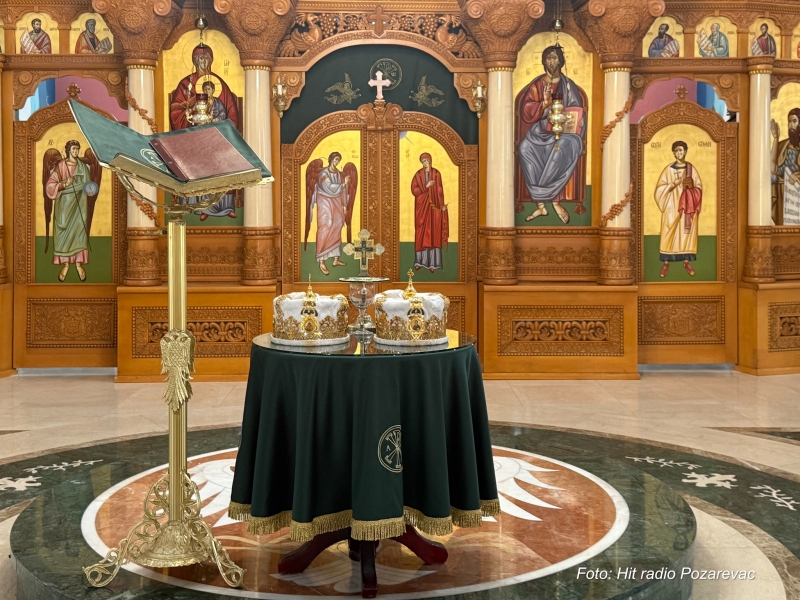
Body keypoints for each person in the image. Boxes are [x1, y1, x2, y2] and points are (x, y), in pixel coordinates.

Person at [517, 45, 586, 224]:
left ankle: (554, 201)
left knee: (562, 146)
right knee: (524, 147)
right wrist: (543, 105)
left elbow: (577, 109)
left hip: (565, 133)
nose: (551, 62)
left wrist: (580, 121)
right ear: (543, 61)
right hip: (540, 131)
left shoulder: (569, 86)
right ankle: (541, 205)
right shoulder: (537, 85)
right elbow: (526, 110)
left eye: (554, 58)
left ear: (561, 61)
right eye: (548, 58)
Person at [169, 44, 240, 219]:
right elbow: (176, 112)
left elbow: (230, 113)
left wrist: (219, 124)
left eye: (206, 58)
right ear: (194, 61)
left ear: (211, 60)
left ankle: (224, 206)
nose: (203, 61)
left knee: (221, 168)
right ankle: (196, 206)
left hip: (216, 139)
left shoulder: (220, 85)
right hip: (193, 138)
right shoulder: (186, 85)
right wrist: (191, 107)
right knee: (195, 169)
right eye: (200, 58)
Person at [44, 141, 95, 282]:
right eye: (73, 149)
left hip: (79, 207)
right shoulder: (61, 166)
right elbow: (50, 185)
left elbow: (88, 185)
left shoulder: (83, 167)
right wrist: (63, 184)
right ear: (68, 150)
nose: (75, 151)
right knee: (62, 232)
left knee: (79, 233)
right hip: (63, 207)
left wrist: (91, 189)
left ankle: (78, 264)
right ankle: (65, 264)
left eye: (77, 149)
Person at [654, 141, 703, 278]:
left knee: (686, 233)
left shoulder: (691, 169)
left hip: (687, 206)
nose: (679, 153)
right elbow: (659, 190)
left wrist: (692, 187)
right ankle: (666, 263)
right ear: (673, 153)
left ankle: (686, 262)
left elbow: (699, 187)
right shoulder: (668, 170)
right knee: (668, 231)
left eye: (681, 150)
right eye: (676, 151)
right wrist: (672, 185)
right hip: (671, 205)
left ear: (685, 151)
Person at [310, 152, 353, 275]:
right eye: (335, 159)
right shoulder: (324, 173)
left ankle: (336, 259)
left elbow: (343, 191)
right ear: (330, 160)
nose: (337, 162)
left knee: (337, 225)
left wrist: (344, 204)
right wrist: (343, 184)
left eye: (338, 160)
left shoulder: (339, 174)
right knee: (326, 226)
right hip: (325, 201)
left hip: (337, 202)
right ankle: (321, 260)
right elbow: (327, 187)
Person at [412, 153, 448, 272]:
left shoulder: (436, 173)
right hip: (421, 208)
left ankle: (433, 263)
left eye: (427, 161)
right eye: (423, 162)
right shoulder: (418, 175)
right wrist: (425, 186)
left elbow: (440, 191)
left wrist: (441, 206)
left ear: (430, 161)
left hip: (433, 209)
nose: (425, 163)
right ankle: (419, 261)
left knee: (433, 233)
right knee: (421, 234)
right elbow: (414, 190)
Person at [771, 109, 800, 224]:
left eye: (794, 121)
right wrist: (775, 138)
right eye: (789, 121)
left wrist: (797, 177)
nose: (791, 125)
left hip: (796, 195)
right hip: (781, 194)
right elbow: (772, 169)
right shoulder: (782, 145)